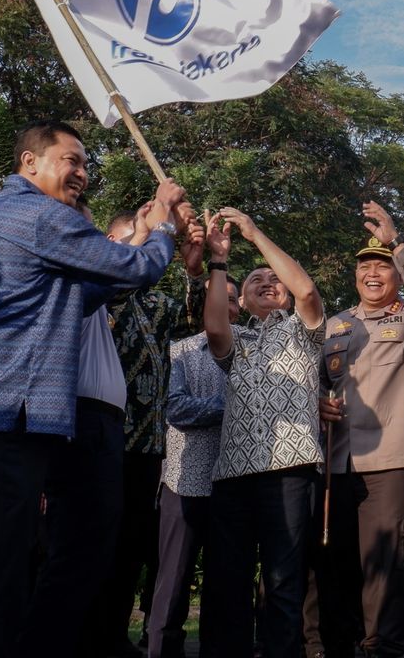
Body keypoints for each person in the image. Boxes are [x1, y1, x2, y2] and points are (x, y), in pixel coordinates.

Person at [0, 122, 185, 657]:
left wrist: (140, 242)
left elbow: (86, 296)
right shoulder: (36, 213)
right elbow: (134, 267)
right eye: (70, 160)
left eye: (84, 163)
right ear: (29, 162)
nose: (81, 172)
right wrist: (162, 226)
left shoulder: (9, 215)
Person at [316, 202, 404, 658]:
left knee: (388, 572)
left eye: (382, 266)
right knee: (338, 569)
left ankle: (383, 650)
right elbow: (314, 385)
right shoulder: (335, 326)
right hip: (339, 466)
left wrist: (398, 244)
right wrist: (317, 405)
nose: (373, 272)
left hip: (392, 463)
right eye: (365, 266)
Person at [201, 206, 326, 658]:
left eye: (273, 280)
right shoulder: (238, 341)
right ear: (244, 297)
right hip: (232, 474)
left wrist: (255, 236)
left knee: (283, 581)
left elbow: (307, 289)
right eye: (255, 281)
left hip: (289, 471)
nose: (266, 283)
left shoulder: (304, 332)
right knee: (226, 582)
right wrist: (219, 261)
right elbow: (214, 327)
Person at [17, 199, 132, 658]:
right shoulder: (65, 279)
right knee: (71, 551)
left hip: (100, 425)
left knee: (90, 551)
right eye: (78, 231)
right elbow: (125, 269)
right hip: (76, 419)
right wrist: (156, 226)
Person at [91, 206, 207, 658]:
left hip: (146, 447)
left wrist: (194, 272)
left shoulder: (158, 303)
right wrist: (149, 230)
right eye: (128, 238)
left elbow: (198, 323)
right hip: (97, 441)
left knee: (128, 551)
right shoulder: (99, 292)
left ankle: (113, 636)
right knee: (88, 547)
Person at [146, 274, 241, 658]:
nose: (225, 305)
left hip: (236, 482)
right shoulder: (179, 351)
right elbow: (176, 407)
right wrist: (235, 408)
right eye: (218, 298)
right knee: (172, 581)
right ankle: (160, 651)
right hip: (184, 480)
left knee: (227, 583)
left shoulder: (255, 350)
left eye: (232, 299)